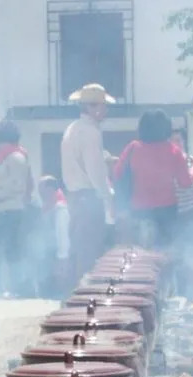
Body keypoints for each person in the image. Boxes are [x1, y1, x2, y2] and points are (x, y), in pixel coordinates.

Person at [114, 110, 193, 249]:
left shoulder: (133, 148)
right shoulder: (174, 151)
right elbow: (185, 183)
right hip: (167, 212)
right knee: (165, 252)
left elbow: (117, 174)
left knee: (140, 253)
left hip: (139, 209)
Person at [61, 83, 116, 282]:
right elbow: (95, 171)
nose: (106, 110)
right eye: (103, 106)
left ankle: (74, 290)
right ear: (93, 108)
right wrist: (108, 197)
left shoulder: (73, 128)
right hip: (88, 197)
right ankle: (86, 293)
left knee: (78, 247)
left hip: (75, 196)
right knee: (89, 251)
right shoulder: (91, 132)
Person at [0, 119, 33, 297]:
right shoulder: (0, 157)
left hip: (10, 210)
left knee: (12, 251)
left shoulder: (16, 157)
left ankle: (17, 288)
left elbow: (17, 186)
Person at [172, 128, 193, 304]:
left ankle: (190, 296)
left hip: (191, 214)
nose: (177, 144)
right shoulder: (167, 162)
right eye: (173, 141)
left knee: (191, 257)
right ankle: (178, 295)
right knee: (176, 257)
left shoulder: (192, 161)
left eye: (179, 141)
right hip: (175, 215)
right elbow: (186, 181)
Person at [34, 176, 71, 298]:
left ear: (50, 190)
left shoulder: (60, 210)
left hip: (55, 256)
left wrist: (62, 257)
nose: (40, 193)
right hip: (45, 256)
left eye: (42, 189)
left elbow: (62, 234)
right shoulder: (43, 208)